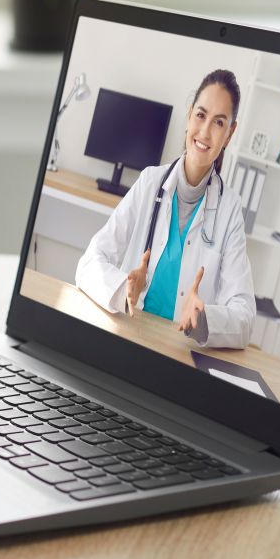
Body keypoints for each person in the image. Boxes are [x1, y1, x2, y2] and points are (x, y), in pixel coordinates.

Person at [74, 69, 256, 350]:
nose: (205, 131)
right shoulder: (150, 182)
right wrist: (124, 288)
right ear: (189, 115)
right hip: (128, 338)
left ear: (229, 134)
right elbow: (88, 264)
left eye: (219, 122)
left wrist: (204, 318)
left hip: (179, 352)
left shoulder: (229, 210)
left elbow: (245, 318)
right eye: (201, 115)